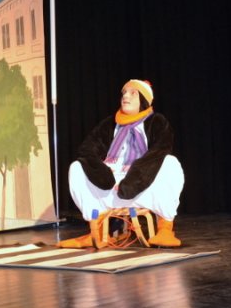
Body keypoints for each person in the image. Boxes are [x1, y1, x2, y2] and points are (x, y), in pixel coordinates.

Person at [59, 79, 185, 248]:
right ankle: (96, 231)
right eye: (124, 93)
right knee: (77, 168)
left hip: (143, 184)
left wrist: (132, 180)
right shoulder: (109, 124)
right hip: (111, 186)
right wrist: (103, 175)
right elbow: (87, 150)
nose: (126, 96)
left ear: (144, 100)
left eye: (133, 93)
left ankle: (165, 230)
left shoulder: (156, 121)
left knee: (170, 163)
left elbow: (159, 151)